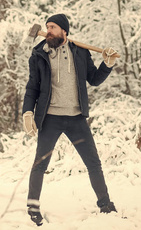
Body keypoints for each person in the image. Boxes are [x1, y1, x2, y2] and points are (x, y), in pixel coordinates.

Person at [22, 14, 117, 226]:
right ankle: (32, 208)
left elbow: (93, 79)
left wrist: (107, 65)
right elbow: (32, 87)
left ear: (64, 31)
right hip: (50, 119)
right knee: (40, 164)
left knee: (93, 163)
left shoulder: (80, 52)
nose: (48, 31)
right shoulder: (39, 54)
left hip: (76, 119)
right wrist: (27, 113)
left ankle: (106, 205)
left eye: (53, 27)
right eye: (47, 27)